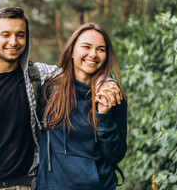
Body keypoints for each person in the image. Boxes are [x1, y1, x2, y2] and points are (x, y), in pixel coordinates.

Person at [0, 7, 121, 190]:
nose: (13, 42)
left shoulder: (38, 75)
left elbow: (82, 68)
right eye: (6, 34)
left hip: (23, 186)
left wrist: (107, 82)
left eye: (20, 35)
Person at [36, 23, 127, 190]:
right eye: (86, 47)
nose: (93, 54)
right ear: (71, 51)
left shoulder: (112, 95)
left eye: (101, 49)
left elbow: (115, 154)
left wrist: (104, 116)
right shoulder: (50, 89)